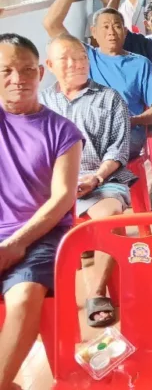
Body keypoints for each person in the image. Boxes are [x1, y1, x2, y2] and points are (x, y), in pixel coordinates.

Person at [0, 33, 83, 390]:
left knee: (23, 296)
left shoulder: (62, 131)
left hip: (41, 236)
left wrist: (16, 244)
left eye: (26, 70)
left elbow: (63, 198)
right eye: (6, 71)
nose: (17, 79)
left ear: (40, 73)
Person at [39, 34, 136, 327]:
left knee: (109, 217)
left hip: (101, 179)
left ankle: (96, 292)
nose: (76, 64)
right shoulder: (42, 103)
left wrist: (95, 178)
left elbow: (118, 150)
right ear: (50, 66)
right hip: (53, 184)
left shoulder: (110, 98)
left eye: (81, 57)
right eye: (66, 59)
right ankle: (45, 293)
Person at [44, 0, 152, 162]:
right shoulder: (85, 56)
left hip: (126, 135)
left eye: (117, 26)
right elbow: (51, 24)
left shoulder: (141, 64)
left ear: (125, 31)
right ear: (93, 33)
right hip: (88, 130)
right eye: (105, 27)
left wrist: (132, 120)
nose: (111, 32)